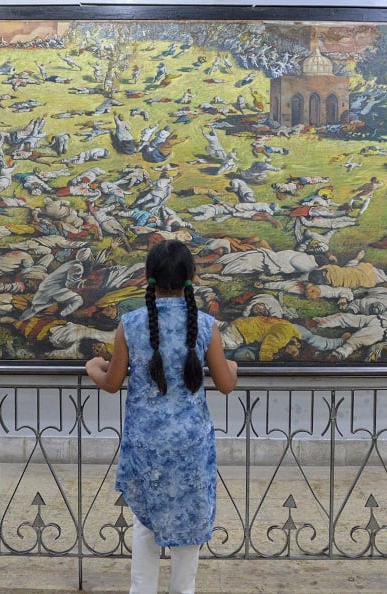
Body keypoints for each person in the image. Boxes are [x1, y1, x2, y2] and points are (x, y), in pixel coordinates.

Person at [85, 239, 237, 594]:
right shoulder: (205, 325)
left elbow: (111, 382)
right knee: (189, 525)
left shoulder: (131, 324)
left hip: (146, 444)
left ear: (148, 276)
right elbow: (226, 384)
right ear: (190, 277)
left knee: (145, 526)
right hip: (190, 443)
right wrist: (230, 365)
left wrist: (94, 367)